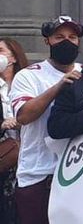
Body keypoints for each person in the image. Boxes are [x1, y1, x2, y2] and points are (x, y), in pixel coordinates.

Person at [10, 16, 83, 224]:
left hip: (78, 173)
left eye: (72, 37)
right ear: (47, 41)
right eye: (59, 37)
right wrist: (59, 86)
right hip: (39, 175)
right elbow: (24, 116)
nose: (66, 41)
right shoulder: (29, 76)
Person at [0, 38, 28, 223]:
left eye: (1, 50)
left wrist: (21, 121)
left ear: (14, 57)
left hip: (27, 155)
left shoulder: (27, 82)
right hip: (4, 155)